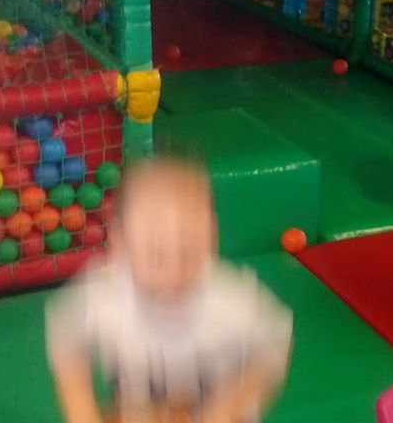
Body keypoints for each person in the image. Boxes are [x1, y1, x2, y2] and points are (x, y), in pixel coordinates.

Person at [45, 157, 293, 423]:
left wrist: (234, 404)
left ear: (213, 238)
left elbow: (274, 347)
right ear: (120, 246)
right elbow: (67, 340)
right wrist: (81, 410)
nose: (174, 274)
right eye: (156, 256)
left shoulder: (233, 302)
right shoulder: (102, 296)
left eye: (191, 253)